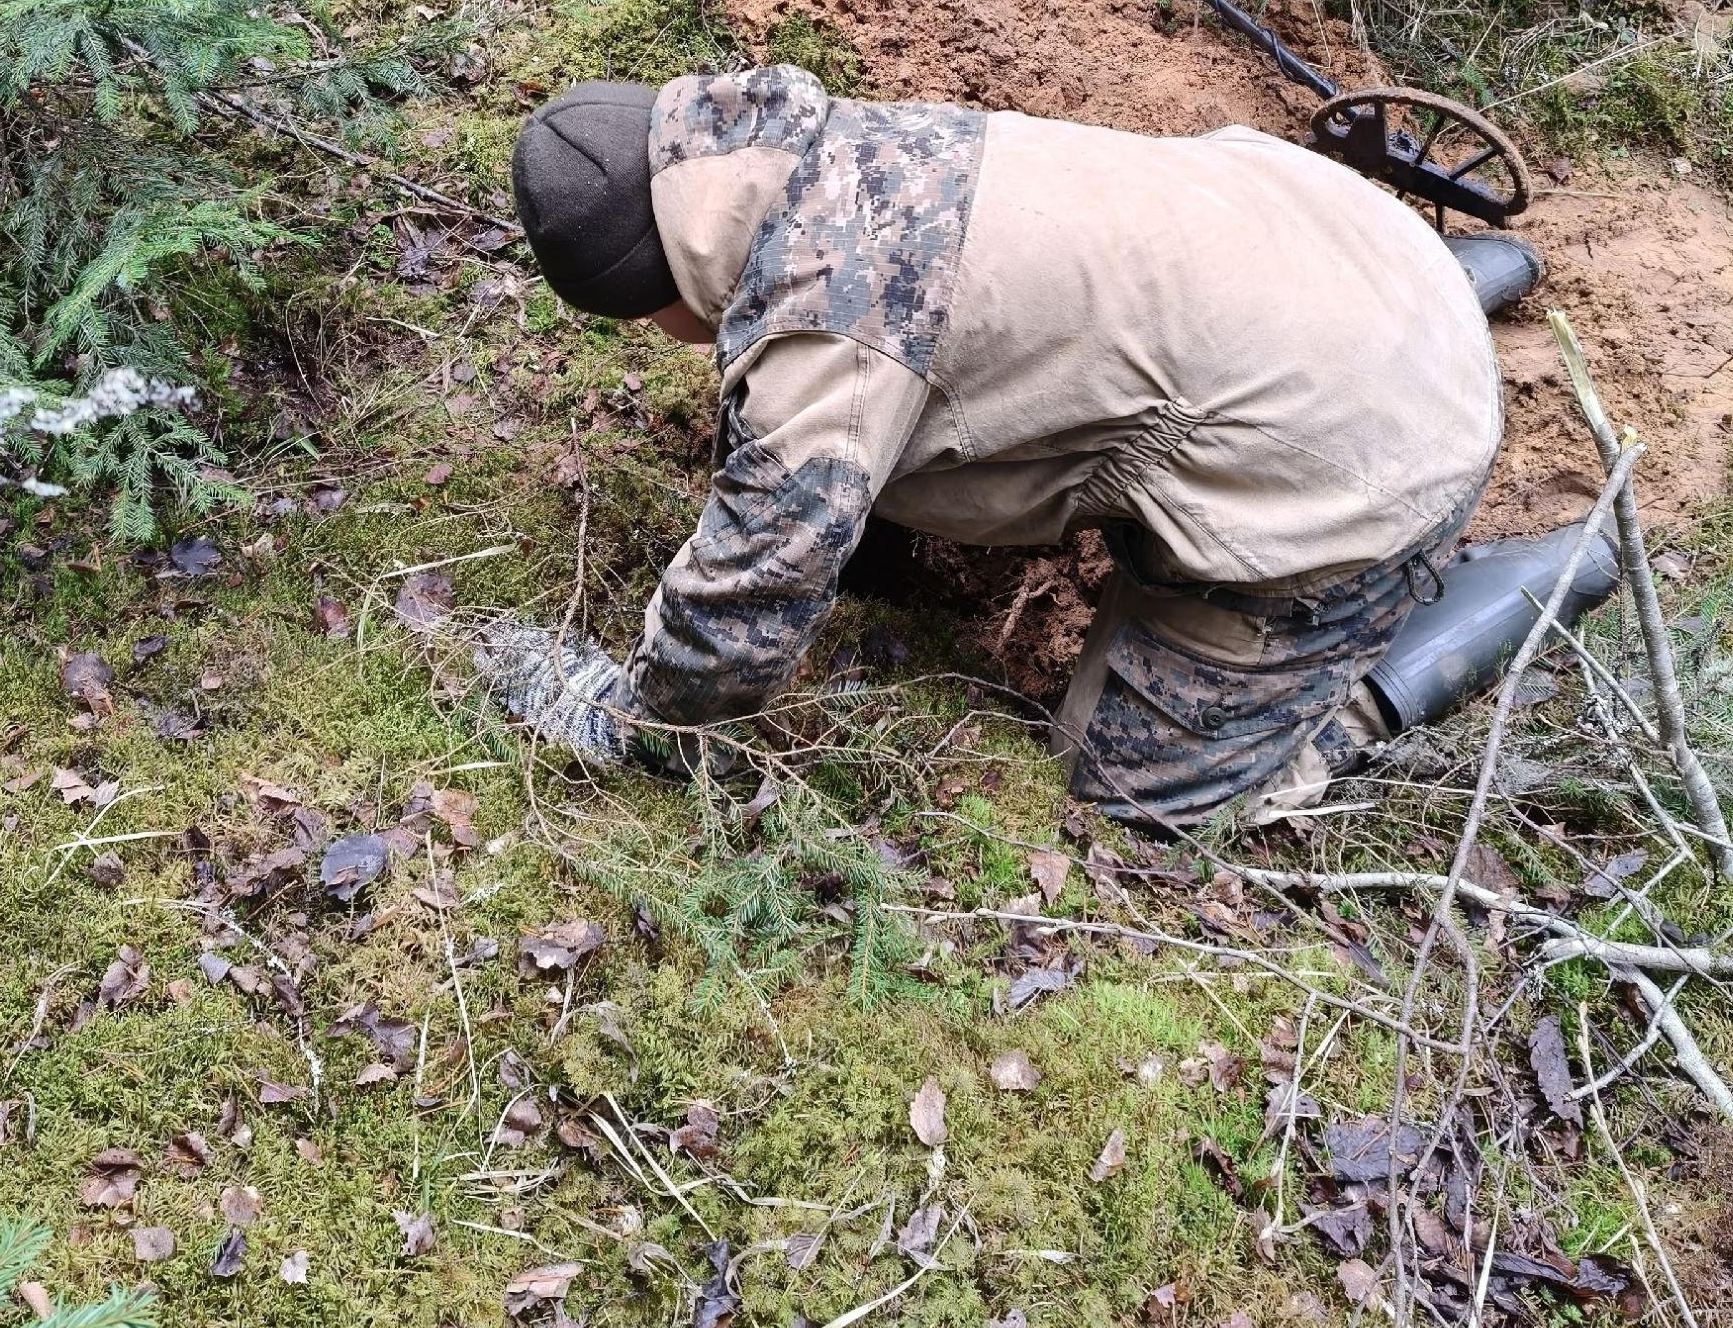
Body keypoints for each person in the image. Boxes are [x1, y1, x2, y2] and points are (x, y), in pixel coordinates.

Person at [479, 65, 1615, 828]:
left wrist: (622, 717)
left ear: (652, 294)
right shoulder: (814, 140)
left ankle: (1470, 615)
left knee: (1123, 803)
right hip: (1336, 239)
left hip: (1366, 456)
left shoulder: (829, 336)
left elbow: (742, 611)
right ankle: (1446, 300)